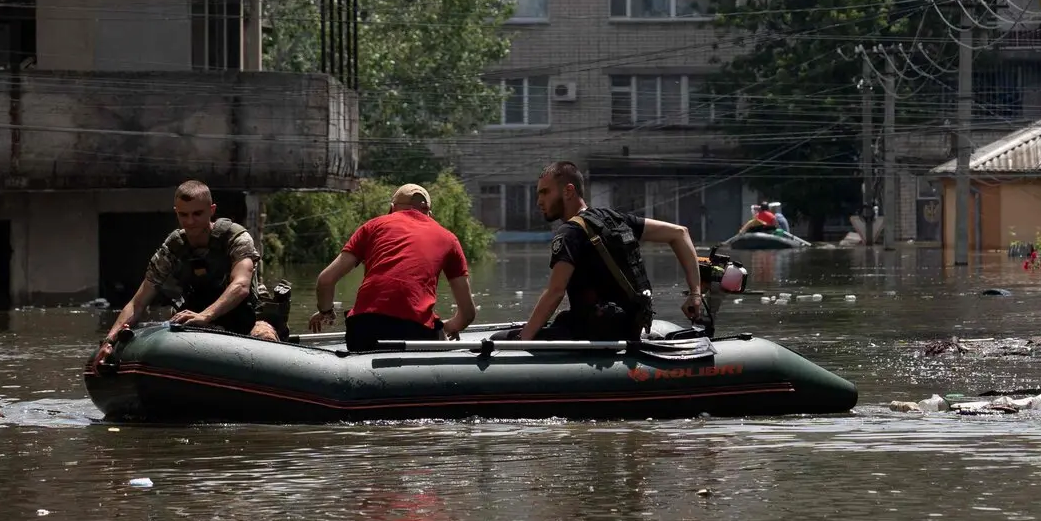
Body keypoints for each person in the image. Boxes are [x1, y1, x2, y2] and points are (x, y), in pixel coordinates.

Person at [519, 161, 703, 341]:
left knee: (500, 339)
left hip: (595, 333)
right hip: (630, 326)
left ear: (568, 191)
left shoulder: (570, 232)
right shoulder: (613, 219)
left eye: (545, 192)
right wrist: (695, 294)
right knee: (561, 320)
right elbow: (680, 233)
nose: (539, 201)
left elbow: (555, 292)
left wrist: (522, 341)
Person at [99, 180, 278, 359]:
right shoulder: (173, 247)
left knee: (265, 338)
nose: (190, 222)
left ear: (212, 210)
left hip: (247, 315)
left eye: (197, 214)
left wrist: (205, 316)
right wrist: (109, 341)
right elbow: (138, 302)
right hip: (197, 318)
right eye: (183, 215)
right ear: (177, 213)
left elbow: (241, 286)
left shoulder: (236, 238)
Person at [308, 183, 477, 351]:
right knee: (440, 339)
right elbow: (468, 314)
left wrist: (325, 311)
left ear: (391, 209)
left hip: (363, 329)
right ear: (429, 214)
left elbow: (325, 280)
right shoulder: (449, 239)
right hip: (416, 332)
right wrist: (447, 327)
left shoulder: (372, 227)